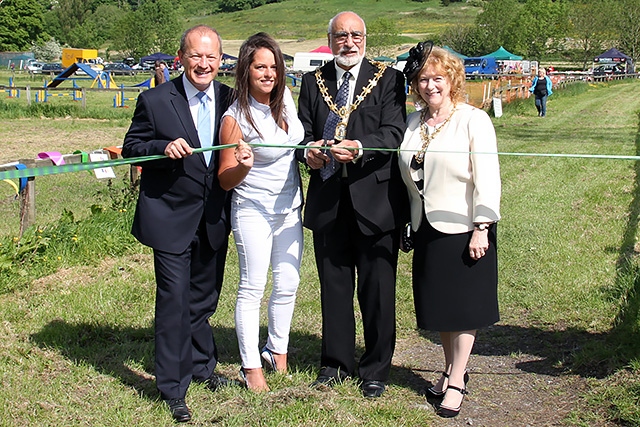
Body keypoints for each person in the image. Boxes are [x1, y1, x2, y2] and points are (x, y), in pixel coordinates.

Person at [122, 25, 236, 423]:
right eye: (196, 55)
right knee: (174, 301)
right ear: (181, 57)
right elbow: (131, 147)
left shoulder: (231, 99)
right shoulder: (154, 100)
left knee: (203, 300)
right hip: (169, 217)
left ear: (221, 61)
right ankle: (172, 387)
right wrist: (160, 148)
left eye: (211, 57)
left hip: (214, 216)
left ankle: (204, 367)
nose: (203, 64)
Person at [296, 11, 409, 398]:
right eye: (340, 35)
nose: (349, 41)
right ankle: (335, 364)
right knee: (334, 288)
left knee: (378, 290)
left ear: (365, 38)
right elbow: (302, 133)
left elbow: (394, 131)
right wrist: (306, 152)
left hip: (376, 201)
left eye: (355, 35)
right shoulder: (313, 82)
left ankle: (375, 368)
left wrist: (360, 146)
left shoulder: (390, 80)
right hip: (328, 200)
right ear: (329, 39)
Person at [398, 42, 501, 418]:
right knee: (440, 308)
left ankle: (457, 379)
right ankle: (449, 369)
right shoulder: (413, 122)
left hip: (464, 226)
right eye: (423, 79)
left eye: (437, 78)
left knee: (463, 309)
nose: (430, 86)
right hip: (426, 226)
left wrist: (482, 227)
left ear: (452, 79)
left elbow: (488, 178)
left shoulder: (474, 120)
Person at [218, 32, 305, 392]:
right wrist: (244, 167)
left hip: (290, 207)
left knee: (288, 282)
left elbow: (293, 144)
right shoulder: (235, 117)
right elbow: (225, 179)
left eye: (273, 66)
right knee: (253, 286)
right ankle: (251, 366)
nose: (268, 73)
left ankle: (277, 353)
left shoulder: (284, 98)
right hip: (252, 207)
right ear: (246, 70)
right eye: (260, 67)